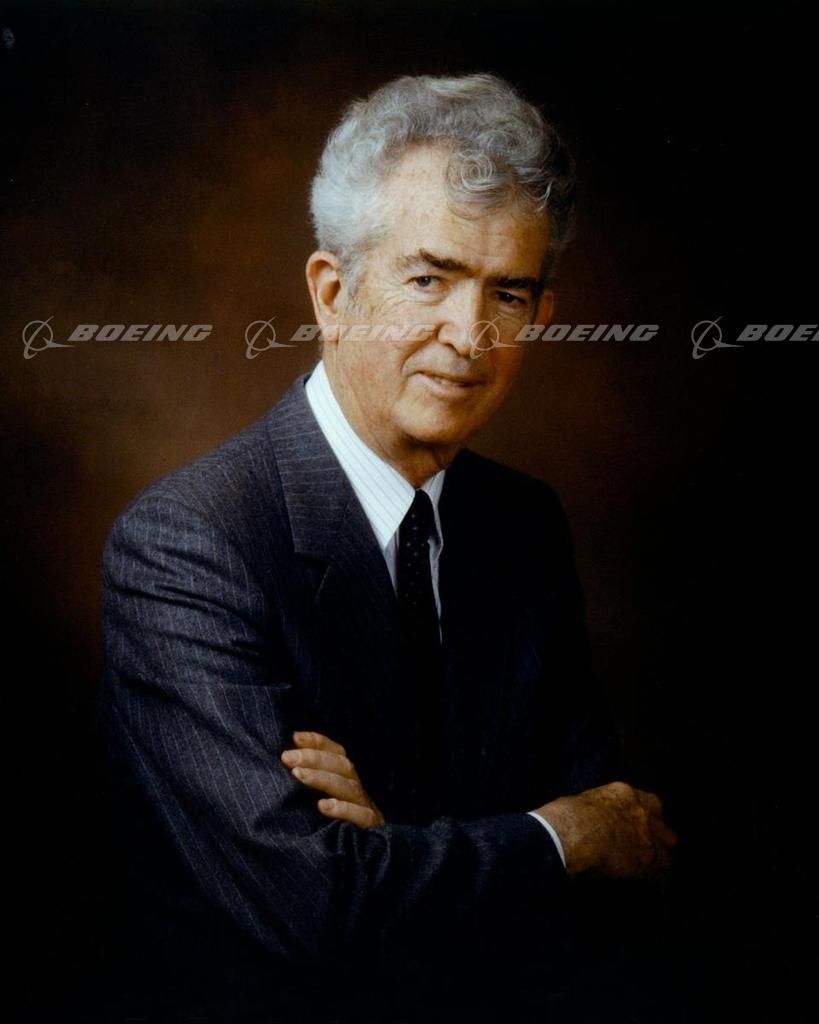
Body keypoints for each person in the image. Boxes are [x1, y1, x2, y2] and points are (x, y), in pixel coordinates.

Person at [99, 73, 676, 1021]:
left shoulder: (524, 522)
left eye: (508, 292)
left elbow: (627, 860)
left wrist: (392, 845)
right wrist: (553, 838)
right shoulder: (188, 542)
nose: (469, 336)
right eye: (428, 279)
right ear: (334, 294)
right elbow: (315, 905)